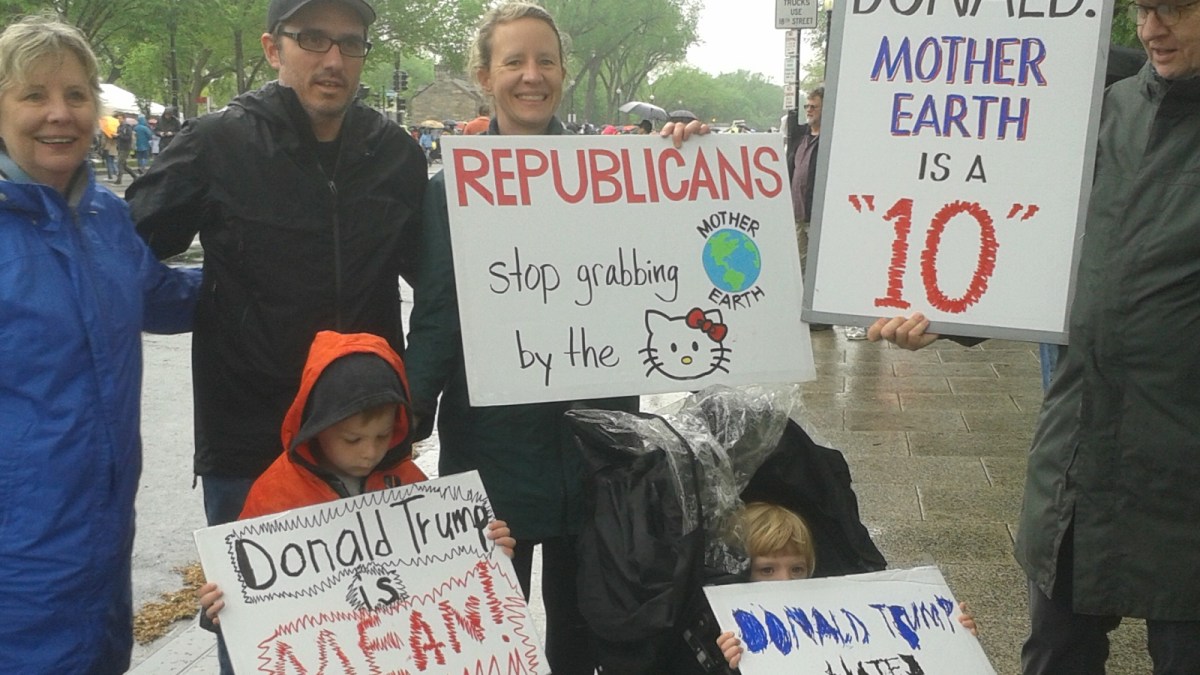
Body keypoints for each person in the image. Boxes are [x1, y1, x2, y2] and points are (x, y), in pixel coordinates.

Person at [869, 6, 1200, 671]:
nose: (1151, 28)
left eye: (1177, 7)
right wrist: (946, 317)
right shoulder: (1102, 113)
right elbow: (1025, 242)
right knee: (1054, 650)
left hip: (1184, 467)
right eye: (1141, 8)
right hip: (1078, 456)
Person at [403, 3, 710, 673]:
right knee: (488, 636)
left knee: (582, 639)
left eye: (545, 60)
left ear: (564, 73)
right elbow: (435, 317)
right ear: (484, 76)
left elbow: (677, 259)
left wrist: (694, 165)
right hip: (491, 451)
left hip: (595, 454)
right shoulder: (447, 188)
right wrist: (397, 429)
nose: (531, 75)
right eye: (514, 61)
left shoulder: (621, 171)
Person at [127, 0, 427, 670]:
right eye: (313, 39)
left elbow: (450, 278)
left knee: (376, 642)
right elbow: (124, 245)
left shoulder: (398, 155)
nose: (333, 59)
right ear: (272, 47)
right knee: (266, 649)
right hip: (251, 447)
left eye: (351, 44)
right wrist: (205, 302)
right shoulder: (215, 143)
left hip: (368, 441)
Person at [0, 15, 200, 673]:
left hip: (104, 546)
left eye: (76, 95)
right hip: (18, 568)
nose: (59, 114)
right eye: (34, 95)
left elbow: (161, 296)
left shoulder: (104, 215)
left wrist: (265, 267)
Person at [196, 330, 516, 626]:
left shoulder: (408, 480)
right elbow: (249, 587)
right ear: (317, 427)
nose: (370, 452)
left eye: (384, 435)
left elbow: (444, 570)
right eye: (352, 440)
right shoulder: (274, 493)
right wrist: (217, 609)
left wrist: (486, 549)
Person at [714, 503, 977, 669]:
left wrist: (954, 634)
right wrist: (731, 660)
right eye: (767, 570)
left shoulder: (830, 609)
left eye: (797, 569)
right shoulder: (731, 625)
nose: (785, 580)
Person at [791, 87, 836, 334]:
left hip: (817, 213)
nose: (809, 110)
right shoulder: (803, 138)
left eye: (813, 106)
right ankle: (807, 311)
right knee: (802, 266)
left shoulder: (829, 140)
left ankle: (821, 314)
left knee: (818, 268)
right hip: (798, 212)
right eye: (807, 106)